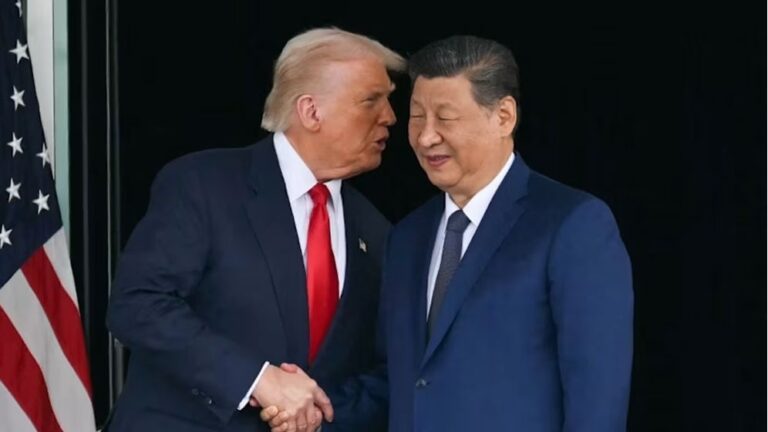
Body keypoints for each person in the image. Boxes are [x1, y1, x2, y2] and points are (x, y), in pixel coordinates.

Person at [265, 34, 634, 432]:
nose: (426, 137)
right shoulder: (406, 238)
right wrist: (311, 414)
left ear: (504, 117)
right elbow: (397, 381)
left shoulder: (572, 225)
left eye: (445, 118)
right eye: (417, 116)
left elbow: (597, 399)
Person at [105, 27, 404, 432]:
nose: (390, 116)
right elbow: (137, 305)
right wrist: (258, 380)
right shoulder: (203, 184)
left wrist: (316, 417)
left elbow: (383, 369)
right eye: (371, 100)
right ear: (311, 111)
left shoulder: (377, 230)